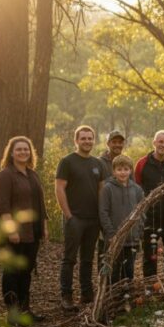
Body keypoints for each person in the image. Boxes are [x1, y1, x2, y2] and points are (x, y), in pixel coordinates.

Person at [0, 136, 48, 323]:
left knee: (26, 271)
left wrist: (44, 226)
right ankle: (12, 313)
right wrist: (11, 230)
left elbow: (40, 203)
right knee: (12, 273)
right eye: (19, 149)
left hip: (32, 232)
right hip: (14, 233)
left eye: (26, 149)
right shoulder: (5, 175)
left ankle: (25, 310)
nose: (23, 152)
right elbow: (2, 206)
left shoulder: (32, 174)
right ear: (11, 153)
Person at [56, 125, 107, 311]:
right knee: (69, 259)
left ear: (94, 140)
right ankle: (66, 296)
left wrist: (102, 216)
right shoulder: (67, 162)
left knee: (87, 259)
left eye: (90, 138)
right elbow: (59, 188)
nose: (87, 141)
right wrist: (68, 215)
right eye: (83, 138)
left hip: (93, 219)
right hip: (74, 218)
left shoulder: (98, 163)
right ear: (76, 140)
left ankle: (87, 294)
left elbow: (102, 190)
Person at [135, 130, 164, 277]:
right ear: (154, 142)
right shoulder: (142, 163)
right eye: (160, 141)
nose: (163, 145)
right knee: (150, 251)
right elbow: (137, 188)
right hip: (150, 215)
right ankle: (150, 285)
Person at [99, 155, 144, 284]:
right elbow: (103, 212)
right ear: (114, 171)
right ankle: (111, 298)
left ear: (130, 170)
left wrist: (139, 232)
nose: (123, 172)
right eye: (119, 169)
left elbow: (142, 212)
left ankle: (126, 298)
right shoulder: (107, 189)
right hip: (114, 239)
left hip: (132, 240)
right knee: (113, 270)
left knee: (128, 271)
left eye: (126, 169)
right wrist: (111, 234)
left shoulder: (137, 189)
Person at [97, 130, 126, 277]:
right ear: (108, 143)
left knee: (120, 248)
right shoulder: (100, 162)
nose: (117, 145)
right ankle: (104, 284)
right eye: (114, 142)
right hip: (105, 212)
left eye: (120, 142)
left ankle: (118, 284)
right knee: (106, 248)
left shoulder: (125, 161)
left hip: (121, 212)